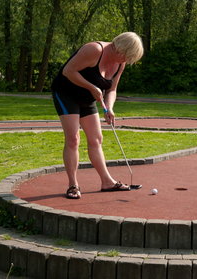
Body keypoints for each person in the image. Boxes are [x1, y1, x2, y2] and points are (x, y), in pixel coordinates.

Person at [51, 32, 144, 199]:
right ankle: (73, 185)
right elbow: (68, 71)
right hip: (66, 93)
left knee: (96, 139)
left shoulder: (119, 63)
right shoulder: (94, 50)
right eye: (126, 57)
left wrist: (109, 107)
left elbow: (112, 89)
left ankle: (107, 182)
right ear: (120, 48)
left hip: (88, 99)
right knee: (73, 138)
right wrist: (92, 88)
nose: (125, 61)